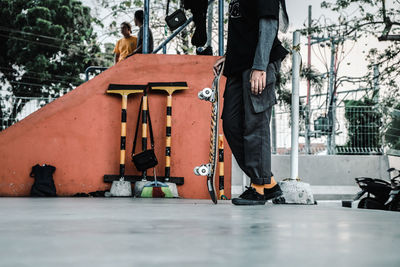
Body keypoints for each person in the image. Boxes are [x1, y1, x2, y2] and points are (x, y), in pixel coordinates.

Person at [213, 0, 290, 205]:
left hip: (258, 64)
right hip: (238, 66)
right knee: (230, 125)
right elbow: (246, 29)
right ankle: (269, 183)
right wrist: (230, 57)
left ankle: (258, 188)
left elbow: (268, 24)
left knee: (255, 125)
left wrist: (260, 65)